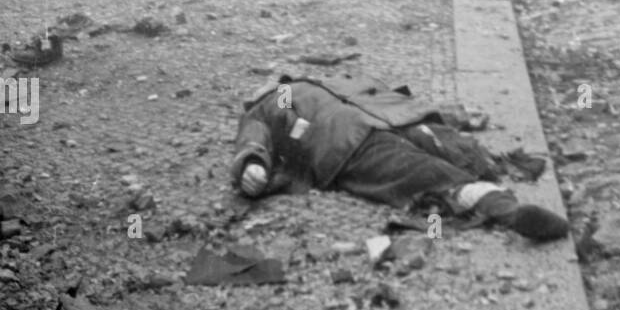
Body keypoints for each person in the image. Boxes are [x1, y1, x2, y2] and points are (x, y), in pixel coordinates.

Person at [231, 75, 569, 243]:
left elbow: (386, 94)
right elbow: (252, 137)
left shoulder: (321, 81)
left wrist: (454, 114)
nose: (263, 84)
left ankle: (489, 176)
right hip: (350, 145)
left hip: (398, 119)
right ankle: (507, 210)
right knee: (424, 173)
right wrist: (252, 164)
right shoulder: (267, 107)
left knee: (459, 148)